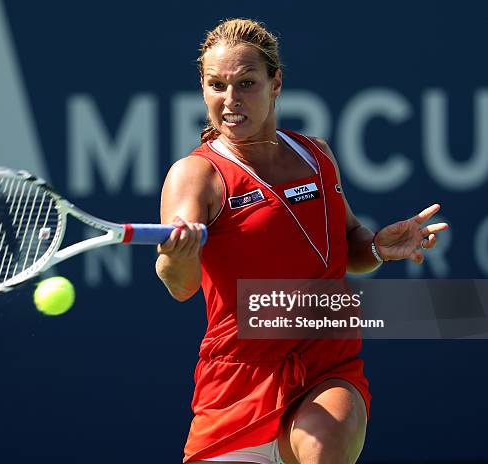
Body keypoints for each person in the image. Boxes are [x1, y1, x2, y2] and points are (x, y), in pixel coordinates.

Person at [156, 18, 449, 464]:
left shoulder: (316, 154)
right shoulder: (195, 175)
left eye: (246, 83)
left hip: (326, 364)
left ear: (276, 84)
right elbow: (180, 285)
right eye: (217, 85)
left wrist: (376, 249)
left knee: (322, 445)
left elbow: (351, 245)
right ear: (203, 89)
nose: (230, 100)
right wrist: (176, 256)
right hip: (235, 383)